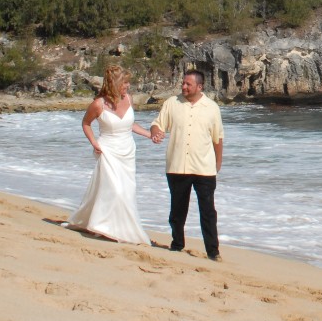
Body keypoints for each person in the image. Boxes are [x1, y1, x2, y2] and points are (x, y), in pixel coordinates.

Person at [65, 66, 151, 245]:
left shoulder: (129, 99)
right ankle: (104, 227)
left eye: (128, 82)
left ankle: (110, 224)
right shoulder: (98, 104)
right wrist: (94, 143)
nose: (128, 86)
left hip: (127, 151)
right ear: (114, 83)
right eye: (125, 82)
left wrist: (149, 134)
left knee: (126, 191)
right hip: (108, 150)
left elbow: (130, 124)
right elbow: (86, 123)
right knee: (115, 190)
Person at [150, 69, 224, 261]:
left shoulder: (212, 107)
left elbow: (218, 137)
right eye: (183, 83)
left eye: (188, 84)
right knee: (177, 209)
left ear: (199, 87)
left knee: (208, 211)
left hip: (204, 168)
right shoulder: (172, 103)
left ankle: (213, 251)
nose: (183, 86)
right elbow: (157, 124)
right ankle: (177, 244)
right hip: (177, 165)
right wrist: (156, 131)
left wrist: (218, 161)